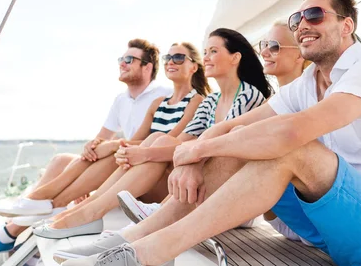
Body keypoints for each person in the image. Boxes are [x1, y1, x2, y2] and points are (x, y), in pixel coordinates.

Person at [60, 0, 361, 266]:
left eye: (315, 15)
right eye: (297, 18)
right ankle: (131, 238)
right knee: (245, 139)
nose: (302, 25)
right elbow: (231, 127)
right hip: (328, 228)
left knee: (287, 147)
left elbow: (294, 134)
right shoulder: (306, 85)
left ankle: (155, 252)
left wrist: (200, 148)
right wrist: (196, 155)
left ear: (347, 26)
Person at [38, 29, 272, 243]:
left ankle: (84, 211)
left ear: (235, 57)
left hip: (231, 193)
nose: (207, 57)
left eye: (214, 51)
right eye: (205, 52)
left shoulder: (248, 96)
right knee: (159, 139)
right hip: (197, 184)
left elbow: (221, 149)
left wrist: (144, 153)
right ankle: (87, 210)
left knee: (155, 144)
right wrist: (142, 151)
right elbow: (182, 143)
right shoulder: (211, 101)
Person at [0, 38, 172, 257]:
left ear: (147, 67)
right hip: (123, 159)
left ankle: (12, 229)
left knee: (113, 154)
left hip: (144, 174)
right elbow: (100, 139)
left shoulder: (163, 95)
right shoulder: (121, 100)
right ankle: (17, 221)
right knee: (61, 160)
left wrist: (112, 146)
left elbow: (152, 145)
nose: (122, 64)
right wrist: (92, 146)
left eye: (129, 59)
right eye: (121, 59)